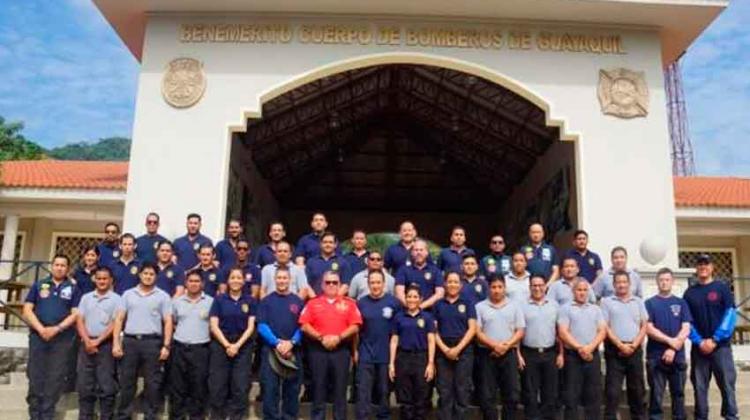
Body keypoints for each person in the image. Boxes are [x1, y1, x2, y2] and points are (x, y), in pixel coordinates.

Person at [112, 262, 173, 420]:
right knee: (127, 382)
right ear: (139, 275)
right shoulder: (128, 294)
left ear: (156, 276)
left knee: (152, 383)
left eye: (151, 274)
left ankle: (151, 415)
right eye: (145, 273)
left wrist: (166, 346)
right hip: (130, 342)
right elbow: (119, 320)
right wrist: (116, 343)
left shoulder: (163, 296)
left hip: (152, 343)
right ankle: (124, 415)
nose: (148, 276)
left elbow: (168, 321)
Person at [23, 254, 81, 420]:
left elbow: (75, 314)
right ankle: (35, 414)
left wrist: (56, 328)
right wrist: (41, 329)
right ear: (52, 266)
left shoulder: (73, 288)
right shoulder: (39, 285)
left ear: (68, 269)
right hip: (38, 337)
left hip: (61, 339)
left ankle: (48, 414)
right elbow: (27, 309)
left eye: (63, 265)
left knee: (55, 377)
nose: (59, 267)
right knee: (35, 375)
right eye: (56, 264)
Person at [299, 271, 362, 420]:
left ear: (339, 284)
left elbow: (356, 326)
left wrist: (338, 338)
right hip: (317, 351)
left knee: (340, 391)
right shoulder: (312, 303)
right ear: (322, 285)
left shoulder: (349, 303)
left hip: (341, 351)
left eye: (335, 282)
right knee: (318, 389)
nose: (331, 285)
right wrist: (321, 338)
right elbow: (304, 325)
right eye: (328, 282)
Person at [683, 254, 738, 420]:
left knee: (727, 385)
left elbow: (730, 315)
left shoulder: (722, 288)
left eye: (706, 264)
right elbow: (686, 321)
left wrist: (715, 339)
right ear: (696, 268)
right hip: (699, 349)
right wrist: (699, 341)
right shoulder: (689, 293)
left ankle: (730, 416)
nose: (703, 267)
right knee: (699, 387)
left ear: (712, 267)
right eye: (699, 264)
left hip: (720, 347)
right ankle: (701, 416)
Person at [208, 267, 257, 420]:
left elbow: (251, 327)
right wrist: (227, 345)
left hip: (242, 346)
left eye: (238, 278)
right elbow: (214, 325)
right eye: (232, 278)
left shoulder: (250, 300)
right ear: (228, 281)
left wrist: (236, 345)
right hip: (221, 344)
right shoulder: (219, 299)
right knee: (218, 385)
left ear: (243, 281)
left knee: (240, 386)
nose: (235, 281)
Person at [75, 266, 123, 420]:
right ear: (94, 279)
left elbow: (115, 322)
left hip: (105, 345)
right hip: (86, 344)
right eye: (99, 278)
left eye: (105, 278)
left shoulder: (117, 299)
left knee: (106, 385)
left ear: (110, 280)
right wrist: (88, 341)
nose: (102, 281)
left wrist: (98, 341)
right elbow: (79, 320)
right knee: (84, 385)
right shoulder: (86, 298)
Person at [257, 267, 305, 420]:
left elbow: (303, 326)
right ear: (274, 280)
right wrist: (277, 343)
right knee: (270, 390)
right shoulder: (266, 301)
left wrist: (292, 342)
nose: (282, 281)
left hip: (293, 351)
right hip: (271, 351)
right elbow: (262, 326)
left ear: (290, 280)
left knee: (292, 390)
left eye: (285, 278)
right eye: (279, 278)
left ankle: (289, 417)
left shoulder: (298, 301)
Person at [475, 275, 525, 420]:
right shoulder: (480, 307)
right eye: (493, 287)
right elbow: (477, 332)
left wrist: (506, 345)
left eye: (500, 287)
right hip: (487, 354)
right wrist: (494, 345)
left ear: (505, 288)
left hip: (509, 353)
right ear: (488, 289)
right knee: (487, 394)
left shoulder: (515, 306)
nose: (496, 290)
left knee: (512, 394)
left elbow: (520, 330)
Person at [601, 270, 649, 420]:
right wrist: (620, 345)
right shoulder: (606, 302)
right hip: (614, 350)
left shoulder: (638, 301)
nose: (621, 285)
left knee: (637, 390)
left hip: (635, 350)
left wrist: (634, 345)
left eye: (624, 282)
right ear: (614, 284)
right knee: (613, 391)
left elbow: (644, 325)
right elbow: (605, 327)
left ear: (629, 284)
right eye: (618, 282)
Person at [645, 267, 692, 420]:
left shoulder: (681, 303)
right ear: (657, 282)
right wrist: (670, 341)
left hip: (677, 357)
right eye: (661, 280)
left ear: (672, 282)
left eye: (667, 280)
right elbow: (649, 328)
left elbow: (686, 327)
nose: (664, 283)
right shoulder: (650, 303)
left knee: (678, 394)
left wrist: (672, 347)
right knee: (656, 394)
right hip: (655, 357)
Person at [557, 279, 607, 420]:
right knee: (571, 396)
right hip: (573, 357)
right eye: (579, 290)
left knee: (593, 396)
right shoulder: (565, 308)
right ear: (573, 291)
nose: (582, 293)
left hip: (592, 356)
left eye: (585, 290)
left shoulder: (595, 309)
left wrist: (590, 348)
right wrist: (579, 348)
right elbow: (563, 332)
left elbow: (602, 331)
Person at [355, 270, 401, 419]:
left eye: (378, 282)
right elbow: (356, 330)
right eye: (372, 282)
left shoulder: (394, 303)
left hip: (385, 355)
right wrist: (355, 350)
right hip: (365, 353)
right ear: (368, 284)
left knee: (383, 392)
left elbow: (398, 332)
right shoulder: (361, 303)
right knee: (363, 392)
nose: (375, 285)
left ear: (384, 283)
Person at [169, 270, 214, 420]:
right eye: (191, 281)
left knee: (199, 387)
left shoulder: (210, 302)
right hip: (179, 348)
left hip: (201, 349)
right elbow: (173, 322)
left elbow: (212, 325)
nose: (194, 284)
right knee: (177, 387)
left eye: (197, 281)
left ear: (203, 284)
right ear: (186, 283)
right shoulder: (177, 302)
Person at [433, 271, 477, 420]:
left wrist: (458, 348)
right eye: (450, 282)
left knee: (462, 389)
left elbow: (472, 328)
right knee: (444, 391)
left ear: (461, 285)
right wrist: (445, 349)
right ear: (445, 284)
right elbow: (434, 330)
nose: (452, 285)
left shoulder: (468, 303)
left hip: (463, 349)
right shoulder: (438, 304)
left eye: (456, 282)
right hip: (443, 349)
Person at [518, 274, 563, 420]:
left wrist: (561, 354)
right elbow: (518, 332)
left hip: (550, 353)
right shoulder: (522, 306)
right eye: (534, 286)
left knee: (550, 393)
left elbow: (560, 331)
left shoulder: (554, 305)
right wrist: (518, 355)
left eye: (540, 285)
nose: (537, 288)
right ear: (530, 287)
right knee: (530, 393)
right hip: (529, 354)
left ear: (545, 286)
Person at [388, 285, 436, 420]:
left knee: (421, 397)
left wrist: (431, 363)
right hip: (403, 358)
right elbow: (394, 340)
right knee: (405, 399)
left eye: (415, 297)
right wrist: (391, 363)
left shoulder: (427, 317)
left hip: (421, 358)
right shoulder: (398, 317)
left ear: (420, 299)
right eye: (409, 296)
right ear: (405, 298)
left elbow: (431, 340)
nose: (412, 299)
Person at [394, 239, 444, 309]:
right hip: (407, 313)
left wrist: (420, 307)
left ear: (426, 252)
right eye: (416, 250)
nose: (418, 252)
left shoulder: (436, 271)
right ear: (411, 253)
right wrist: (411, 307)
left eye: (421, 250)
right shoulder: (403, 270)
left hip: (429, 313)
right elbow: (399, 293)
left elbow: (439, 294)